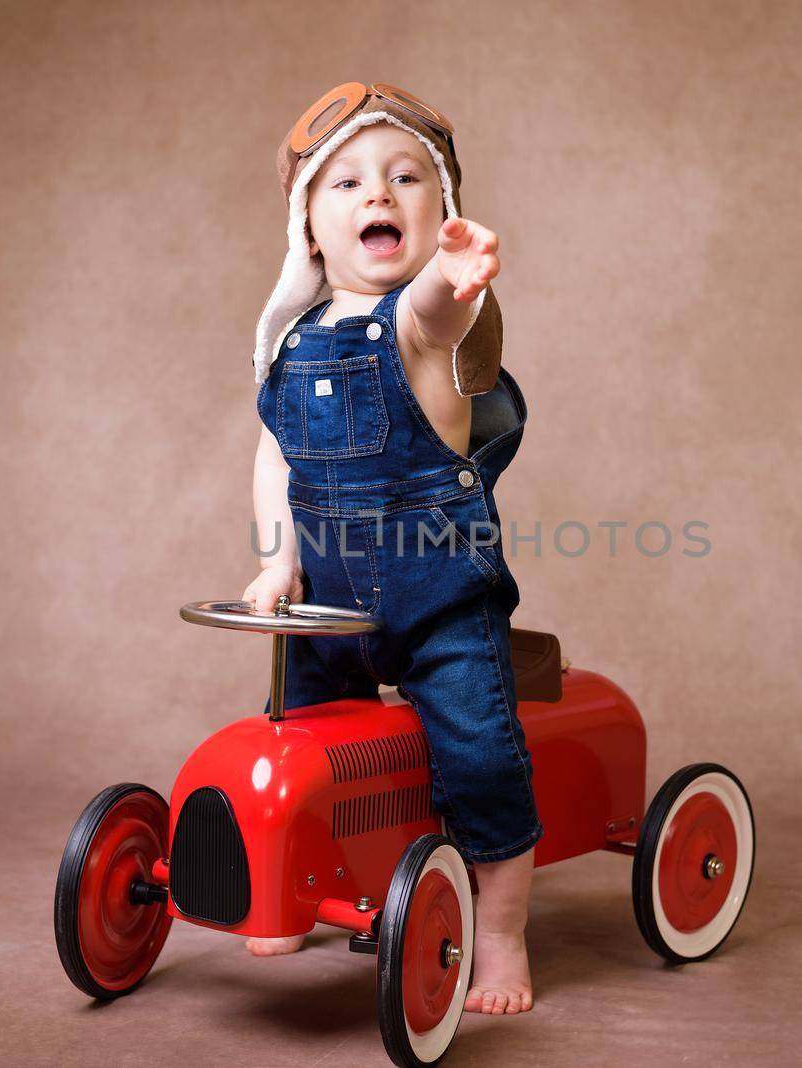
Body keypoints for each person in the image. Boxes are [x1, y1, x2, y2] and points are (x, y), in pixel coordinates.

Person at [239, 83, 537, 1015]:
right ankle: (290, 891)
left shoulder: (419, 327)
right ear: (310, 234)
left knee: (481, 757)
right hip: (328, 607)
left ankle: (499, 935)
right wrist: (277, 561)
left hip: (439, 597)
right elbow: (276, 463)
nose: (380, 195)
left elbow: (437, 314)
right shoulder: (289, 346)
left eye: (408, 178)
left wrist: (457, 274)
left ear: (437, 211)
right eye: (349, 184)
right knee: (304, 752)